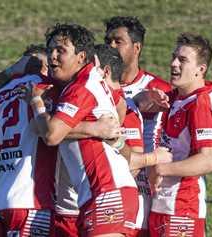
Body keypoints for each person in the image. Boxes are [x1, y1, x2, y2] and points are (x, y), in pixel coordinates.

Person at [0, 44, 122, 237]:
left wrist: (11, 71)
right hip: (31, 200)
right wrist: (95, 128)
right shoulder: (45, 89)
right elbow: (52, 130)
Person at [27, 23, 142, 237]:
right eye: (50, 49)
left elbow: (51, 135)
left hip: (106, 191)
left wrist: (36, 101)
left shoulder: (81, 87)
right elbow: (119, 105)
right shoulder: (88, 80)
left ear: (81, 57)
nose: (52, 56)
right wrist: (94, 128)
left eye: (60, 51)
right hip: (102, 192)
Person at [104, 16, 172, 236]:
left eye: (117, 41)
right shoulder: (96, 86)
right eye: (108, 41)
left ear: (137, 47)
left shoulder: (160, 89)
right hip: (106, 193)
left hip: (146, 200)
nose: (111, 47)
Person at [149, 33, 212, 237]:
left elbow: (209, 161)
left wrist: (161, 168)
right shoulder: (175, 99)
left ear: (201, 69)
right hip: (162, 205)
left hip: (183, 208)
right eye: (173, 57)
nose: (173, 64)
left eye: (182, 60)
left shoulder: (200, 104)